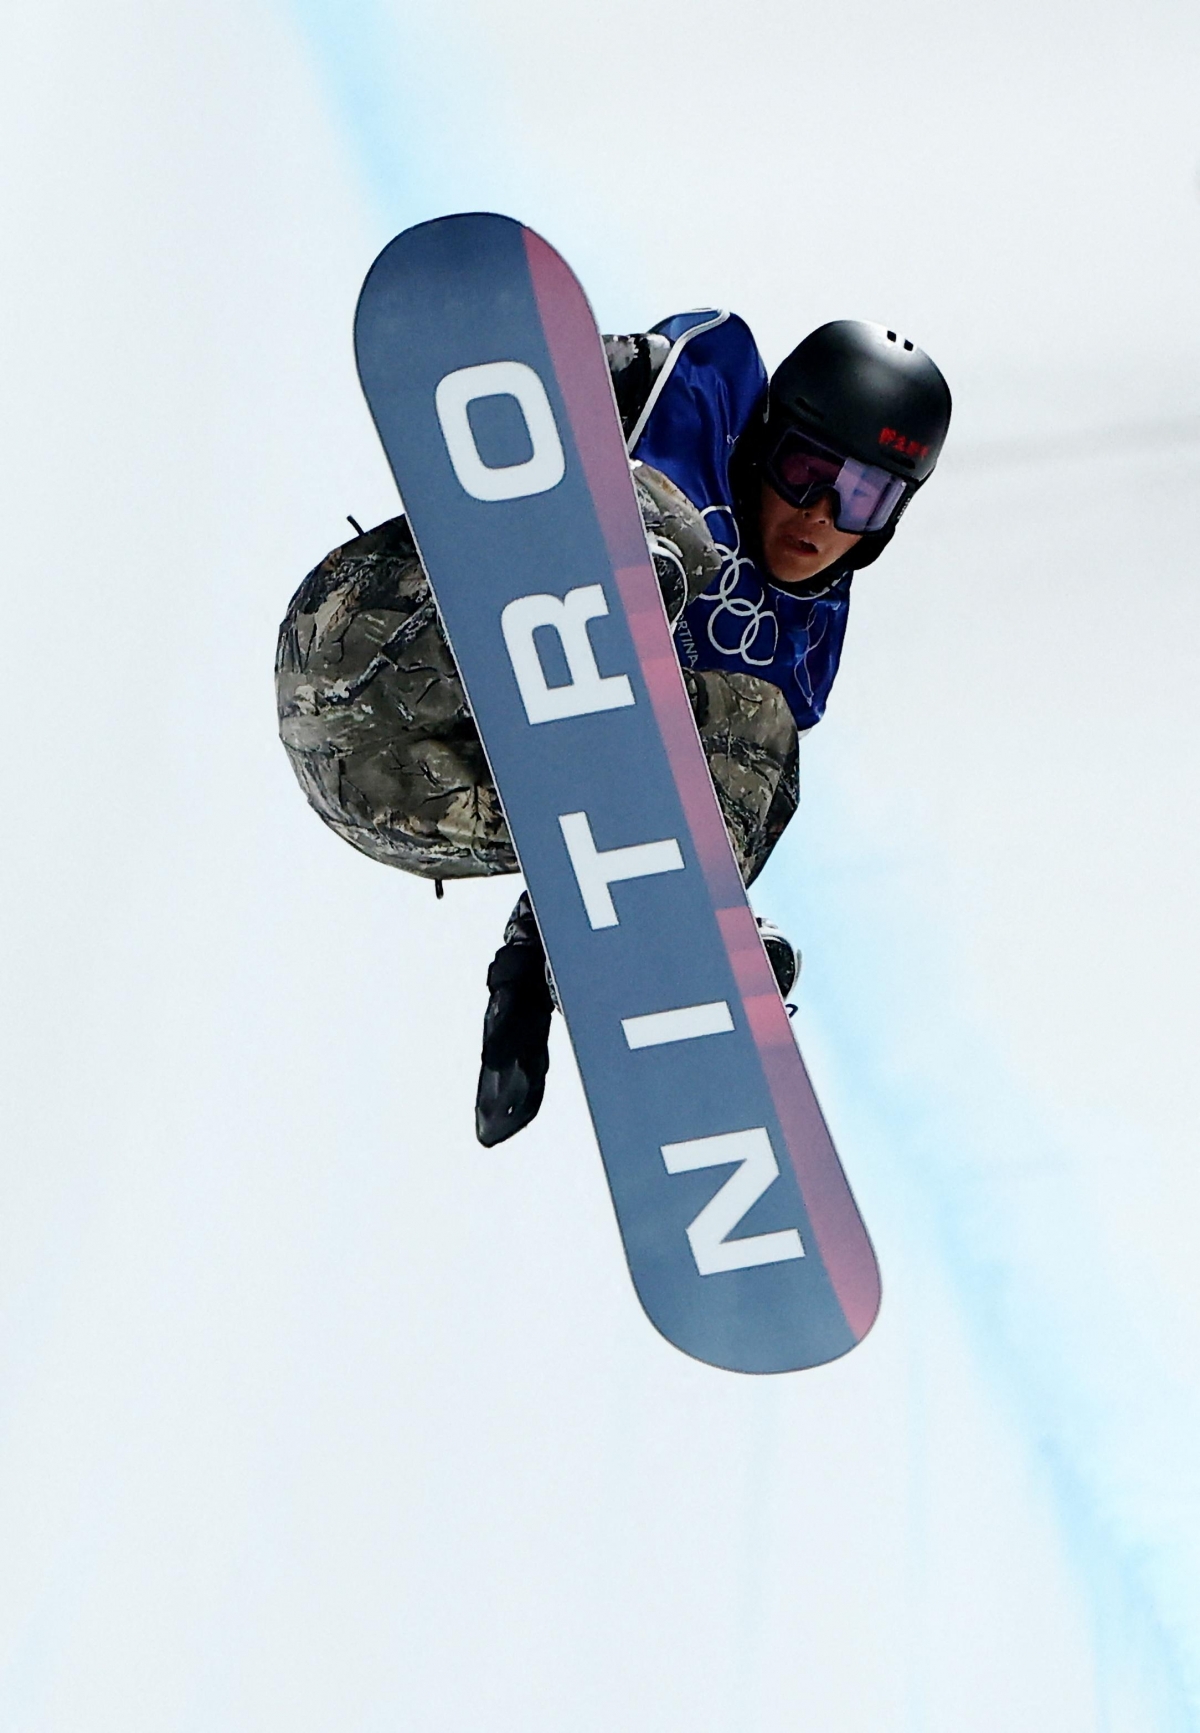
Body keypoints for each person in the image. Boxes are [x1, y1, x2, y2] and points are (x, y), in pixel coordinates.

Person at [276, 311, 952, 1147]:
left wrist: (524, 984)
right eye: (805, 470)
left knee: (760, 736)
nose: (820, 514)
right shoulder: (685, 392)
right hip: (365, 644)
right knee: (674, 526)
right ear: (764, 438)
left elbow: (619, 809)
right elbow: (492, 397)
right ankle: (604, 584)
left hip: (402, 798)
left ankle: (662, 929)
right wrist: (592, 374)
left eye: (862, 497)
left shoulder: (798, 659)